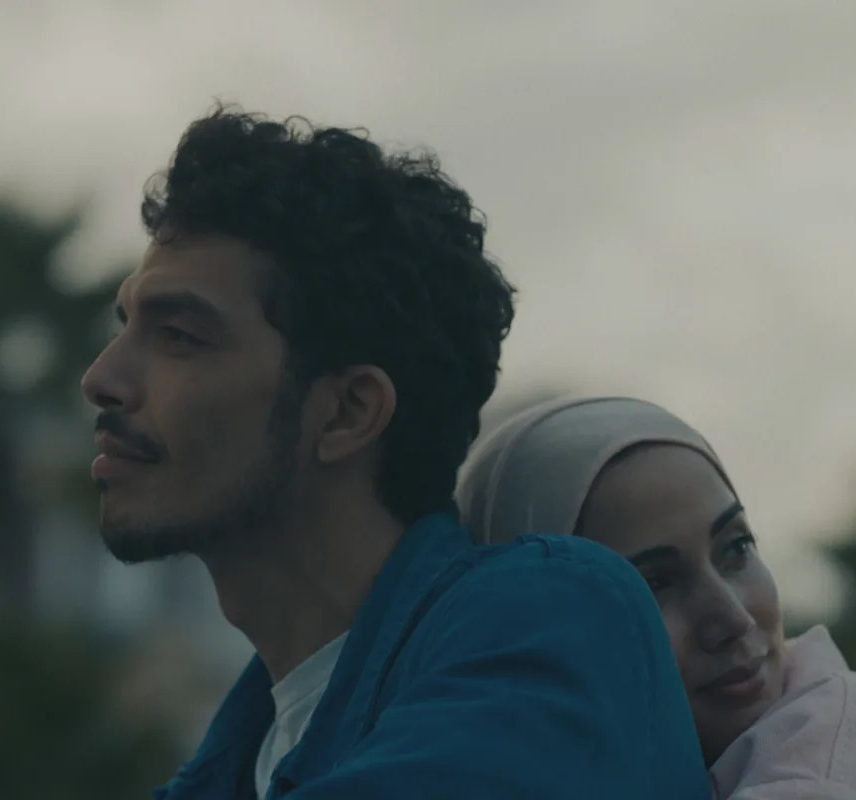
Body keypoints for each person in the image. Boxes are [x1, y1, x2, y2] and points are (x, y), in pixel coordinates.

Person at [80, 107, 710, 799]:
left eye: (179, 336)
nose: (101, 379)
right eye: (125, 327)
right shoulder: (222, 773)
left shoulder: (558, 624)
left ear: (348, 413)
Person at [458, 396, 856, 799]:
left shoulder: (821, 765)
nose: (733, 618)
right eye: (654, 584)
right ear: (541, 635)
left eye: (736, 548)